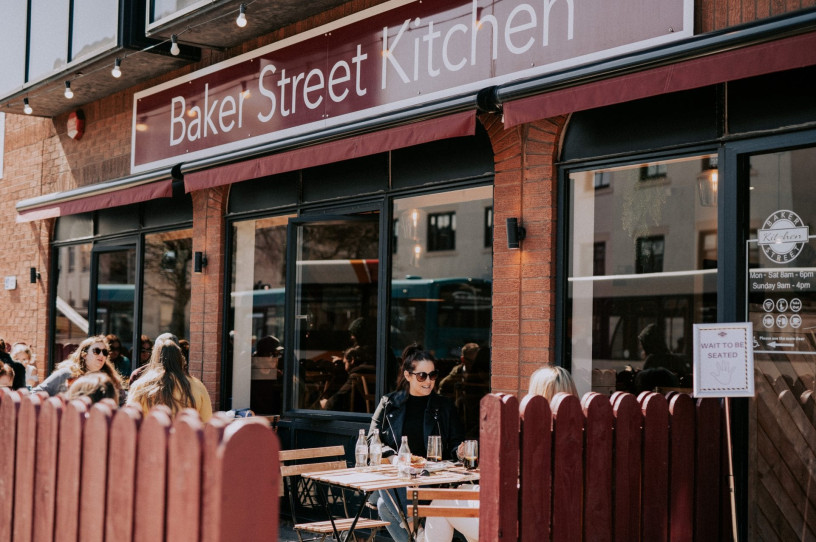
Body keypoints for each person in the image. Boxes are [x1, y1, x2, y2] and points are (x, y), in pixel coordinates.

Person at [369, 343, 465, 542]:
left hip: (432, 479)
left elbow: (455, 444)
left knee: (383, 504)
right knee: (386, 494)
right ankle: (418, 532)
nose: (428, 381)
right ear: (408, 376)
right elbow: (371, 439)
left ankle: (415, 531)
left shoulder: (444, 406)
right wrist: (393, 458)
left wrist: (461, 451)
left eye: (433, 375)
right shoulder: (389, 403)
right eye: (422, 376)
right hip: (400, 478)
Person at [127, 338, 213, 422]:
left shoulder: (140, 386)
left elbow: (130, 420)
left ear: (154, 357)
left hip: (151, 435)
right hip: (186, 435)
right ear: (180, 358)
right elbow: (206, 421)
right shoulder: (197, 386)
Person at [33, 335, 123, 397]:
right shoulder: (66, 374)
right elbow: (36, 393)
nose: (101, 355)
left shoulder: (110, 378)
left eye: (105, 352)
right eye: (96, 351)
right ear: (84, 355)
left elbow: (123, 402)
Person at [438, 343, 489, 439]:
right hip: (456, 432)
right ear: (463, 360)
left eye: (477, 363)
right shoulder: (449, 382)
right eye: (471, 362)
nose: (475, 367)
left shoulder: (483, 380)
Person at [320, 346, 375, 412]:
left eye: (344, 363)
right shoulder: (375, 372)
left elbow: (336, 400)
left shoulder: (356, 377)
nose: (345, 368)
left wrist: (326, 403)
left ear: (352, 360)